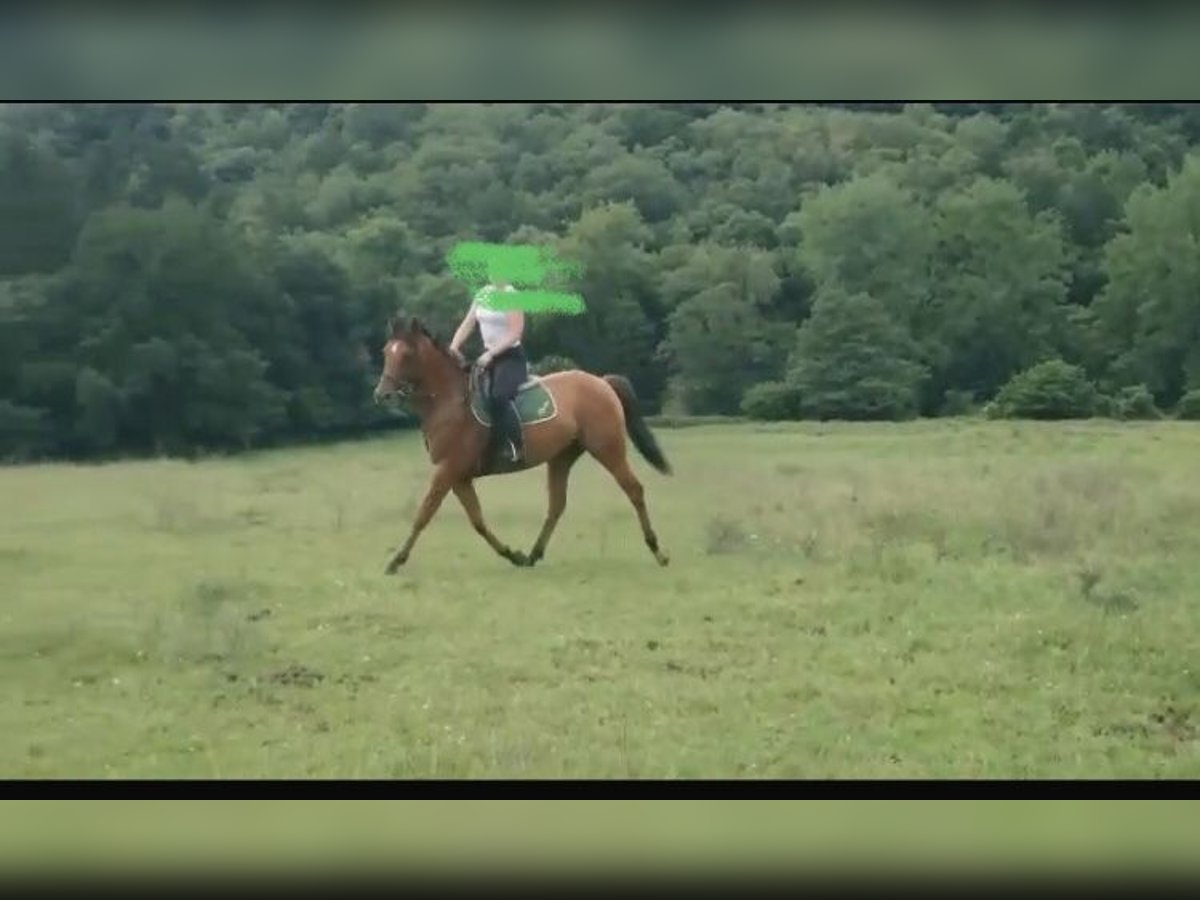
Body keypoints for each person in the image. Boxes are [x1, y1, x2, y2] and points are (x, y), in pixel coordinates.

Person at [449, 280, 528, 470]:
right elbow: (468, 323)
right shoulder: (482, 294)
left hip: (510, 358)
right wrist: (454, 346)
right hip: (489, 358)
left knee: (498, 396)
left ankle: (518, 446)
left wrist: (492, 353)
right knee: (470, 395)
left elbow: (515, 333)